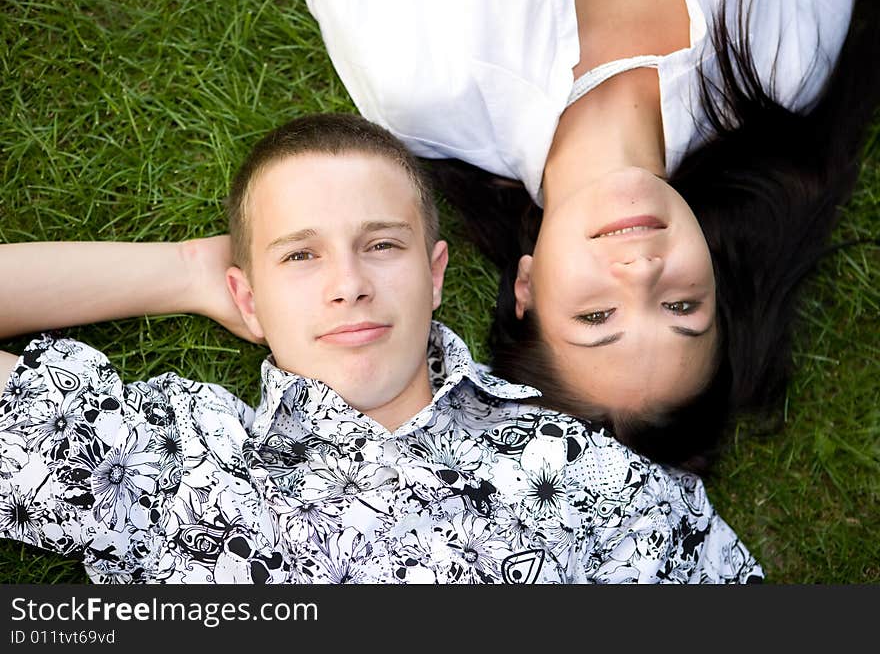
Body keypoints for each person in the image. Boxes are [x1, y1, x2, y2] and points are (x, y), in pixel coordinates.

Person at [0, 113, 762, 583]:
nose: (348, 284)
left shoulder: (595, 479)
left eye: (382, 245)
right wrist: (182, 272)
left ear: (435, 277)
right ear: (248, 299)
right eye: (301, 256)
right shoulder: (167, 467)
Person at [305, 0, 880, 472]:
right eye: (682, 304)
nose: (641, 272)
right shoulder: (785, 66)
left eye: (597, 317)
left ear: (526, 288)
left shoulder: (421, 85)